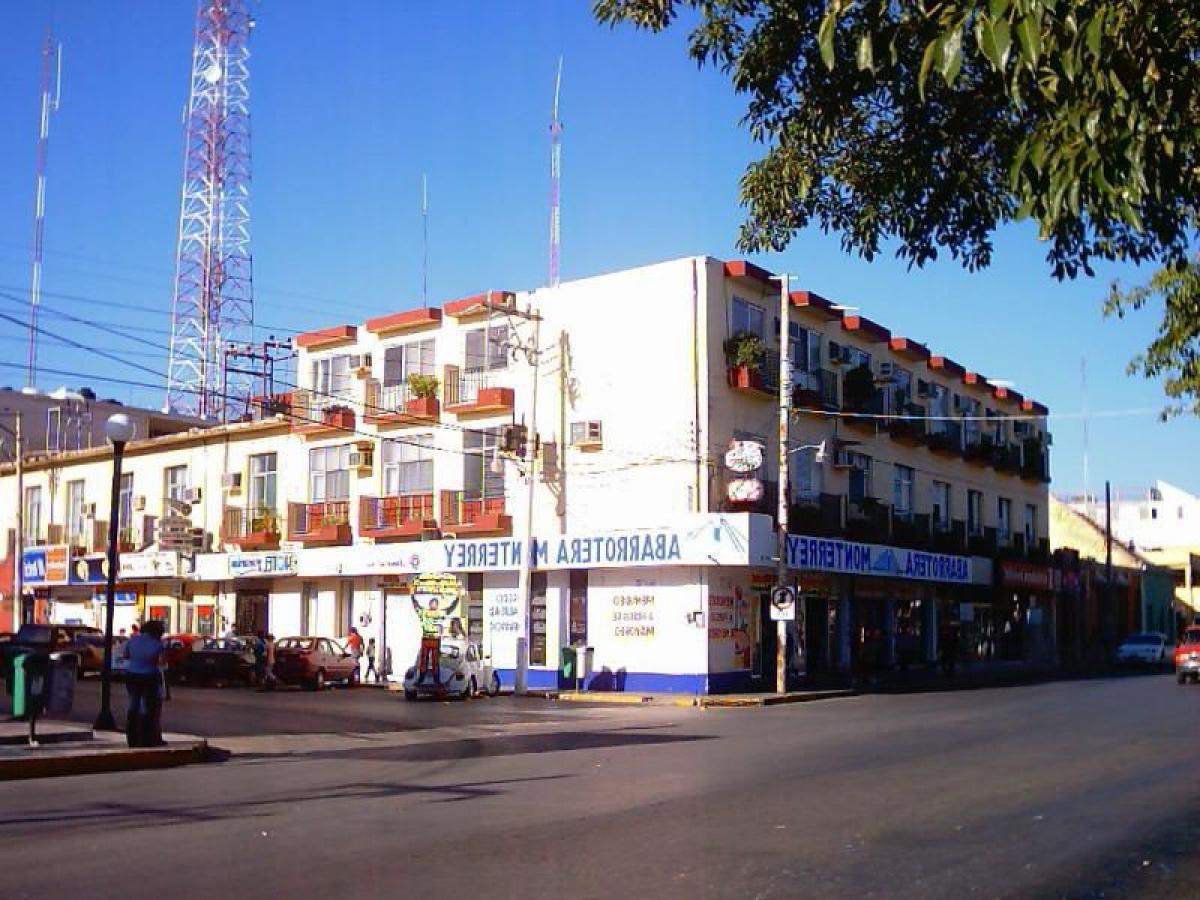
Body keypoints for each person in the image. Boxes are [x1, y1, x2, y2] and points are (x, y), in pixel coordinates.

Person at [122, 619, 166, 748]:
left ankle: (132, 738)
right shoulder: (157, 644)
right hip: (150, 676)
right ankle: (147, 738)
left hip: (132, 675)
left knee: (133, 705)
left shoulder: (132, 640)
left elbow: (125, 656)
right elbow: (162, 662)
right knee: (149, 708)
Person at [413, 596, 441, 684]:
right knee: (424, 658)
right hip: (426, 638)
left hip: (435, 639)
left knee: (435, 660)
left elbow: (450, 610)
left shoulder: (439, 613)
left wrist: (457, 599)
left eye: (435, 604)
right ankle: (421, 677)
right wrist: (412, 597)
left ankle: (436, 678)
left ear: (437, 606)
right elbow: (416, 607)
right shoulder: (424, 612)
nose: (434, 605)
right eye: (432, 603)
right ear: (429, 604)